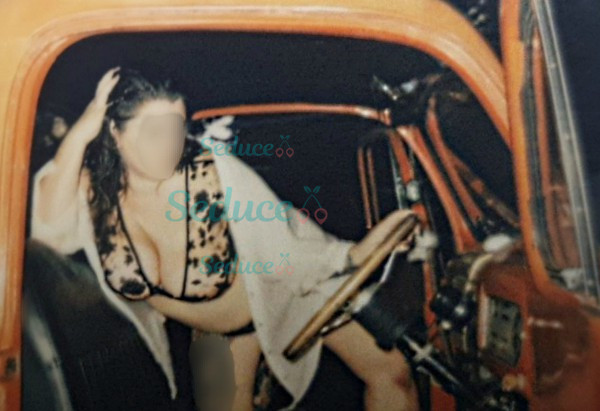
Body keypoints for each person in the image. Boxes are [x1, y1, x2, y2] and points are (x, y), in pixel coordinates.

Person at [30, 67, 417, 410]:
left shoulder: (209, 174)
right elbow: (48, 233)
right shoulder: (95, 193)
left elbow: (284, 246)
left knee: (391, 373)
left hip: (287, 290)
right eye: (155, 132)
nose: (170, 145)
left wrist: (353, 257)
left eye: (177, 129)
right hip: (218, 334)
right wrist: (83, 130)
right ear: (114, 133)